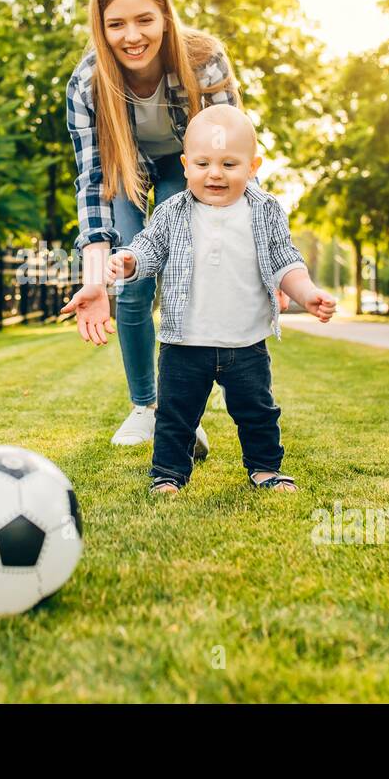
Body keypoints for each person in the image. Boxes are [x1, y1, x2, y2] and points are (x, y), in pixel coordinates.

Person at [105, 104, 337, 494]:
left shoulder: (264, 211)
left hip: (245, 341)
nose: (215, 173)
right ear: (185, 165)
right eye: (203, 163)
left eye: (230, 164)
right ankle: (168, 474)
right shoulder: (171, 212)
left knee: (258, 412)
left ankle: (265, 469)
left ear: (252, 166)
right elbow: (149, 248)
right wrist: (130, 261)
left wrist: (307, 292)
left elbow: (285, 259)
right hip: (185, 342)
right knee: (176, 415)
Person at [59, 0, 242, 454]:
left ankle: (183, 412)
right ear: (101, 26)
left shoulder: (204, 62)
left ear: (165, 17)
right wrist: (95, 279)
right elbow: (93, 183)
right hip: (126, 171)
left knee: (186, 275)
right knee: (132, 284)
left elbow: (231, 153)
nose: (132, 36)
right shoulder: (88, 84)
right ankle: (147, 406)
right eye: (116, 24)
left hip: (191, 166)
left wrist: (240, 241)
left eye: (144, 20)